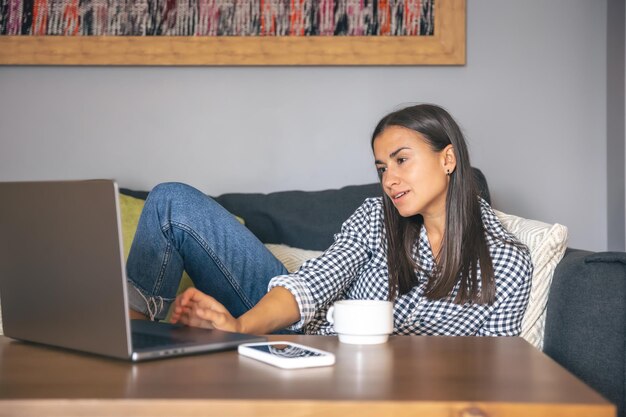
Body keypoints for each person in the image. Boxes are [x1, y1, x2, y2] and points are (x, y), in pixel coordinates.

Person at [127, 104, 533, 336]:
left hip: (378, 384)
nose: (389, 180)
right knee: (171, 202)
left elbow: (492, 366)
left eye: (401, 160)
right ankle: (133, 341)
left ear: (448, 158)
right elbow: (312, 282)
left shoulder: (508, 265)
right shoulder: (376, 217)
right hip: (298, 335)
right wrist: (239, 328)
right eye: (381, 168)